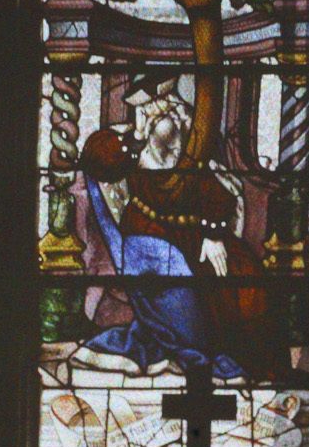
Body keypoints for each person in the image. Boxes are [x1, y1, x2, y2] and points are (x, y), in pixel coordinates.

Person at [72, 89, 271, 382]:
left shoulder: (190, 162)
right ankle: (204, 350)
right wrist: (138, 137)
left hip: (196, 236)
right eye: (159, 115)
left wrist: (213, 235)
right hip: (154, 238)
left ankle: (247, 362)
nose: (170, 123)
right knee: (201, 284)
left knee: (245, 276)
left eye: (172, 115)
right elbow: (99, 160)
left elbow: (218, 199)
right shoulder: (134, 153)